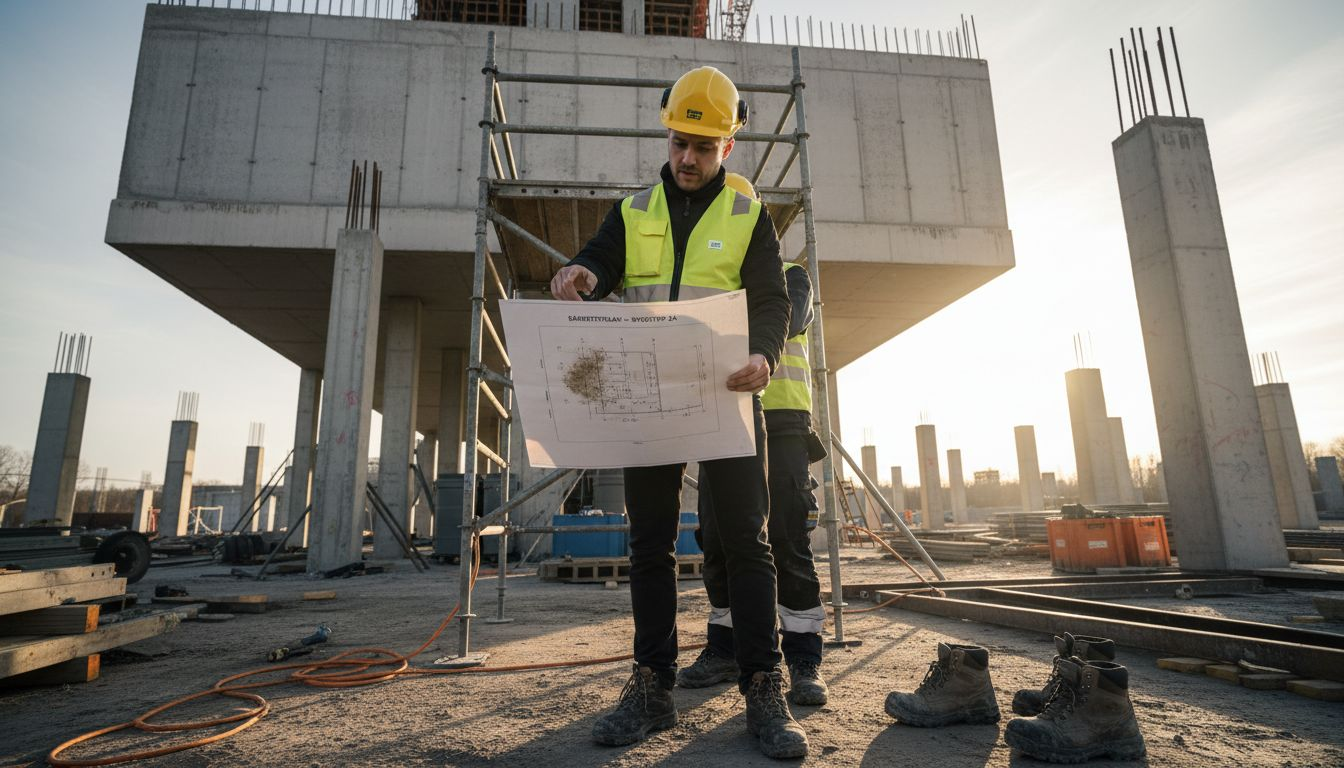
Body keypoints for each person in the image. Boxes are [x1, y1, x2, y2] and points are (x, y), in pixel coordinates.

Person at [549, 66, 808, 759]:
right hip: (649, 398)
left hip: (727, 396)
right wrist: (581, 273)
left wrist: (764, 353)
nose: (687, 159)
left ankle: (763, 684)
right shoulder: (634, 211)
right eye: (678, 144)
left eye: (702, 147)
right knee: (650, 544)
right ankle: (652, 686)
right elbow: (600, 262)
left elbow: (773, 300)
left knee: (749, 544)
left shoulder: (749, 216)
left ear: (728, 146)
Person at [679, 173, 829, 707]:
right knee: (717, 537)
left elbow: (787, 318)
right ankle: (724, 647)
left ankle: (804, 657)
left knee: (786, 534)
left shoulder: (790, 277)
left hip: (783, 420)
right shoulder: (708, 285)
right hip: (724, 417)